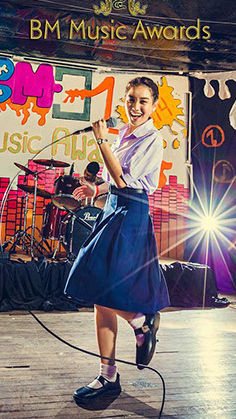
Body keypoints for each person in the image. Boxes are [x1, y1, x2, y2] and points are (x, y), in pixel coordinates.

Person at [64, 77, 170, 403]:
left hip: (132, 212)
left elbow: (125, 180)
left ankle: (141, 320)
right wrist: (96, 189)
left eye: (143, 101)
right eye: (131, 99)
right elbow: (114, 181)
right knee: (99, 295)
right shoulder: (124, 133)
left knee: (101, 288)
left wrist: (101, 141)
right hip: (113, 207)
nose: (135, 107)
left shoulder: (152, 139)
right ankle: (108, 375)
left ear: (153, 106)